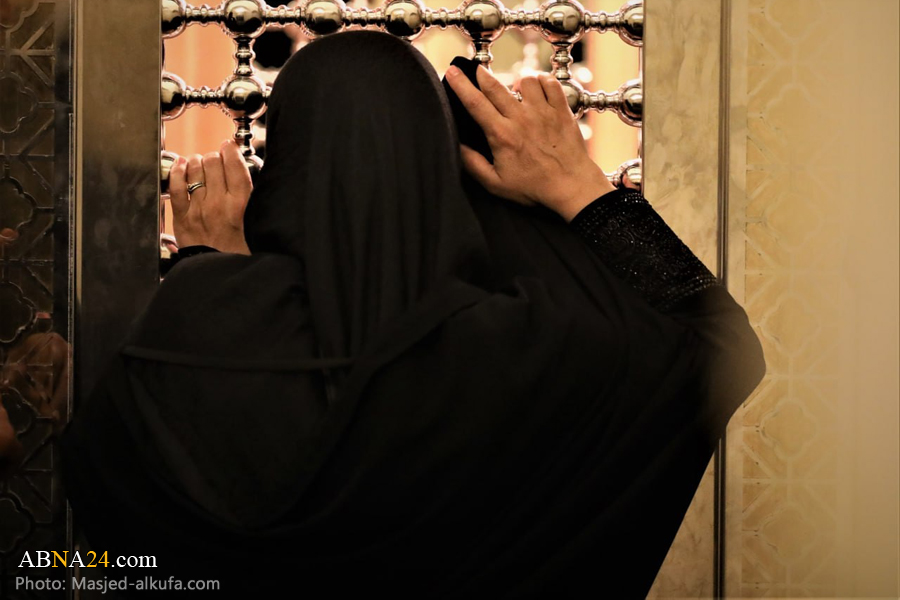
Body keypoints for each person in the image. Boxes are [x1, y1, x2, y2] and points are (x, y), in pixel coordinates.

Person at [3, 30, 766, 598]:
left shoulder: (200, 337)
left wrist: (213, 282)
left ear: (288, 167)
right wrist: (575, 183)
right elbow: (720, 345)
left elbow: (106, 514)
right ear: (441, 171)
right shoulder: (538, 347)